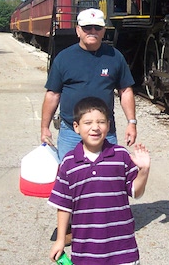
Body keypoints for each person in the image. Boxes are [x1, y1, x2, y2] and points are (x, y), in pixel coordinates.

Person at [48, 97, 150, 265]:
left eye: (101, 122)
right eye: (87, 123)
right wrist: (60, 240)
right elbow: (63, 204)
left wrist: (144, 171)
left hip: (123, 250)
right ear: (76, 127)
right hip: (85, 252)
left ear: (108, 126)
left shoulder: (121, 156)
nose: (95, 127)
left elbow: (136, 192)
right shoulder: (69, 162)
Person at [40, 8, 137, 160]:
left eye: (97, 27)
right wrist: (44, 127)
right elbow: (52, 94)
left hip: (105, 132)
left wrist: (131, 122)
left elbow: (125, 91)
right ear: (78, 30)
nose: (92, 31)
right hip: (71, 132)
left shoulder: (115, 57)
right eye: (87, 28)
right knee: (70, 177)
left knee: (107, 176)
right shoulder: (63, 58)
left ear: (103, 30)